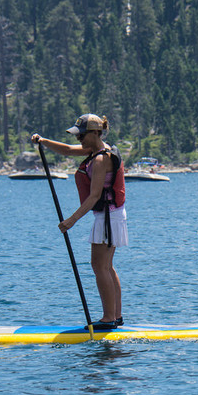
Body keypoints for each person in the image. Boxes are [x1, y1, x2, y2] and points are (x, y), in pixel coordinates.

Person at [32, 114, 128, 329]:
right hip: (109, 216)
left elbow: (94, 196)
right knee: (106, 266)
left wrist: (71, 221)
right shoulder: (97, 150)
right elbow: (67, 150)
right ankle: (116, 316)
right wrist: (43, 141)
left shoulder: (102, 159)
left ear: (96, 133)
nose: (79, 140)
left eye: (82, 135)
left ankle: (108, 319)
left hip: (107, 217)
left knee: (99, 266)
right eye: (78, 136)